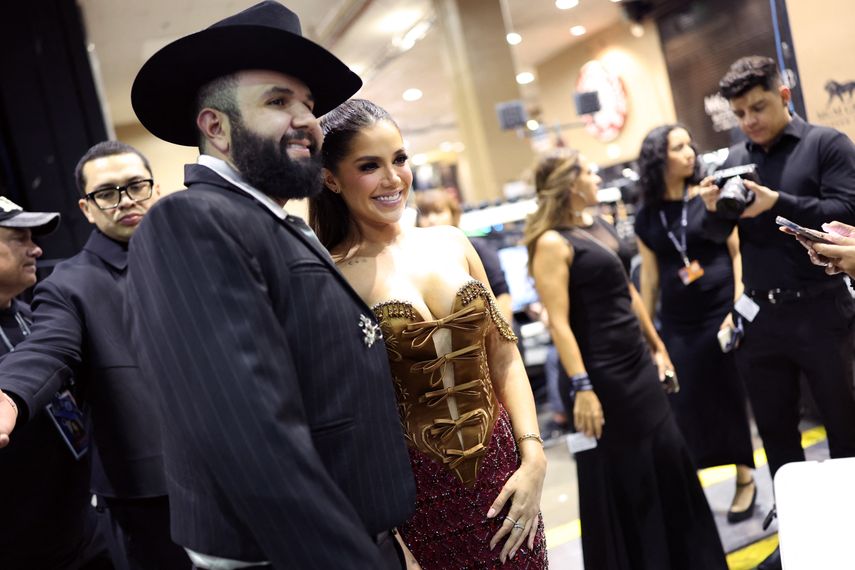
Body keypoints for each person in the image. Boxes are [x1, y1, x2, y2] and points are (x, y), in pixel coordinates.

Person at [124, 3, 415, 569]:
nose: (307, 118)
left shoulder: (275, 224)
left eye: (307, 103)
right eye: (278, 101)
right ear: (216, 126)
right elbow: (251, 438)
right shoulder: (189, 223)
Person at [309, 99, 548, 568]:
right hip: (418, 499)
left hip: (506, 470)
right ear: (330, 178)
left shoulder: (452, 243)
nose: (393, 178)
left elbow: (503, 357)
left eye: (399, 159)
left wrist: (533, 456)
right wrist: (388, 536)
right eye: (369, 166)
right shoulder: (327, 277)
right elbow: (345, 419)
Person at [524, 150, 727, 569]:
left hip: (636, 362)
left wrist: (657, 345)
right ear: (570, 183)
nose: (598, 177)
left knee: (668, 458)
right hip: (601, 375)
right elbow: (559, 324)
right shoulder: (551, 242)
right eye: (590, 172)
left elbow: (627, 290)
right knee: (627, 475)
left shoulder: (595, 225)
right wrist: (582, 387)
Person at [0, 142, 192, 569]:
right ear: (87, 209)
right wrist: (9, 393)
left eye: (135, 186)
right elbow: (49, 347)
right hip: (152, 498)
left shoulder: (201, 257)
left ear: (155, 190)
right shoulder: (68, 286)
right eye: (107, 193)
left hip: (241, 465)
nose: (125, 201)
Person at [699, 56, 855, 570]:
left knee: (845, 430)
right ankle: (801, 542)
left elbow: (847, 212)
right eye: (740, 112)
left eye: (758, 107)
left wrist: (778, 202)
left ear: (784, 95)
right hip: (761, 323)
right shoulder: (734, 160)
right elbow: (714, 239)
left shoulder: (826, 144)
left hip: (823, 313)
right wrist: (709, 210)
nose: (749, 121)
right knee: (777, 440)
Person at [634, 124, 756, 523]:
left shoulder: (708, 193)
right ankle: (693, 484)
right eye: (678, 146)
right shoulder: (648, 217)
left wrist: (737, 305)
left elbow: (736, 251)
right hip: (678, 321)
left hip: (721, 310)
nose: (689, 152)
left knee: (728, 393)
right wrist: (650, 336)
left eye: (690, 143)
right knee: (684, 402)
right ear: (659, 158)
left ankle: (745, 477)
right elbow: (649, 278)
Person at [0, 199, 113, 569]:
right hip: (22, 545)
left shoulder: (34, 314)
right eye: (19, 239)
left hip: (81, 526)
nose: (36, 249)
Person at [414, 188, 513, 322]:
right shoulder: (418, 258)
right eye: (425, 214)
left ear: (453, 215)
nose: (432, 219)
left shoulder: (476, 247)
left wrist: (503, 332)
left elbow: (502, 293)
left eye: (438, 212)